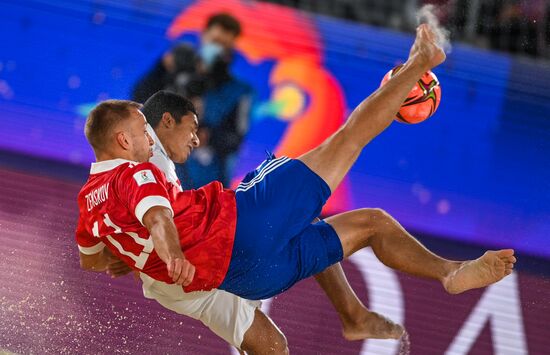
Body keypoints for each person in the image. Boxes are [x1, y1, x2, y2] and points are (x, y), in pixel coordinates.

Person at [76, 25, 516, 353]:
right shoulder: (140, 167)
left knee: (370, 225)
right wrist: (167, 251)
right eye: (147, 130)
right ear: (132, 137)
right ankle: (421, 61)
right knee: (346, 140)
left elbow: (94, 258)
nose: (193, 137)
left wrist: (129, 254)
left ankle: (362, 311)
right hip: (235, 233)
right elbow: (157, 216)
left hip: (245, 277)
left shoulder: (92, 201)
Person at [106, 90, 386, 352]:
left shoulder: (157, 159)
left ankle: (353, 314)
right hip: (190, 271)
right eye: (192, 127)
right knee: (301, 219)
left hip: (188, 272)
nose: (196, 138)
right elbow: (143, 212)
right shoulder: (147, 158)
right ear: (166, 121)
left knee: (273, 347)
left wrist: (127, 249)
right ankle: (352, 314)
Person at [132, 13, 252, 187]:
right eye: (215, 41)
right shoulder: (175, 71)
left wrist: (207, 136)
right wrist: (161, 68)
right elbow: (140, 99)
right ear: (204, 36)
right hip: (157, 174)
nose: (219, 49)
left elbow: (235, 139)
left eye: (225, 45)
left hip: (204, 183)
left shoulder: (239, 91)